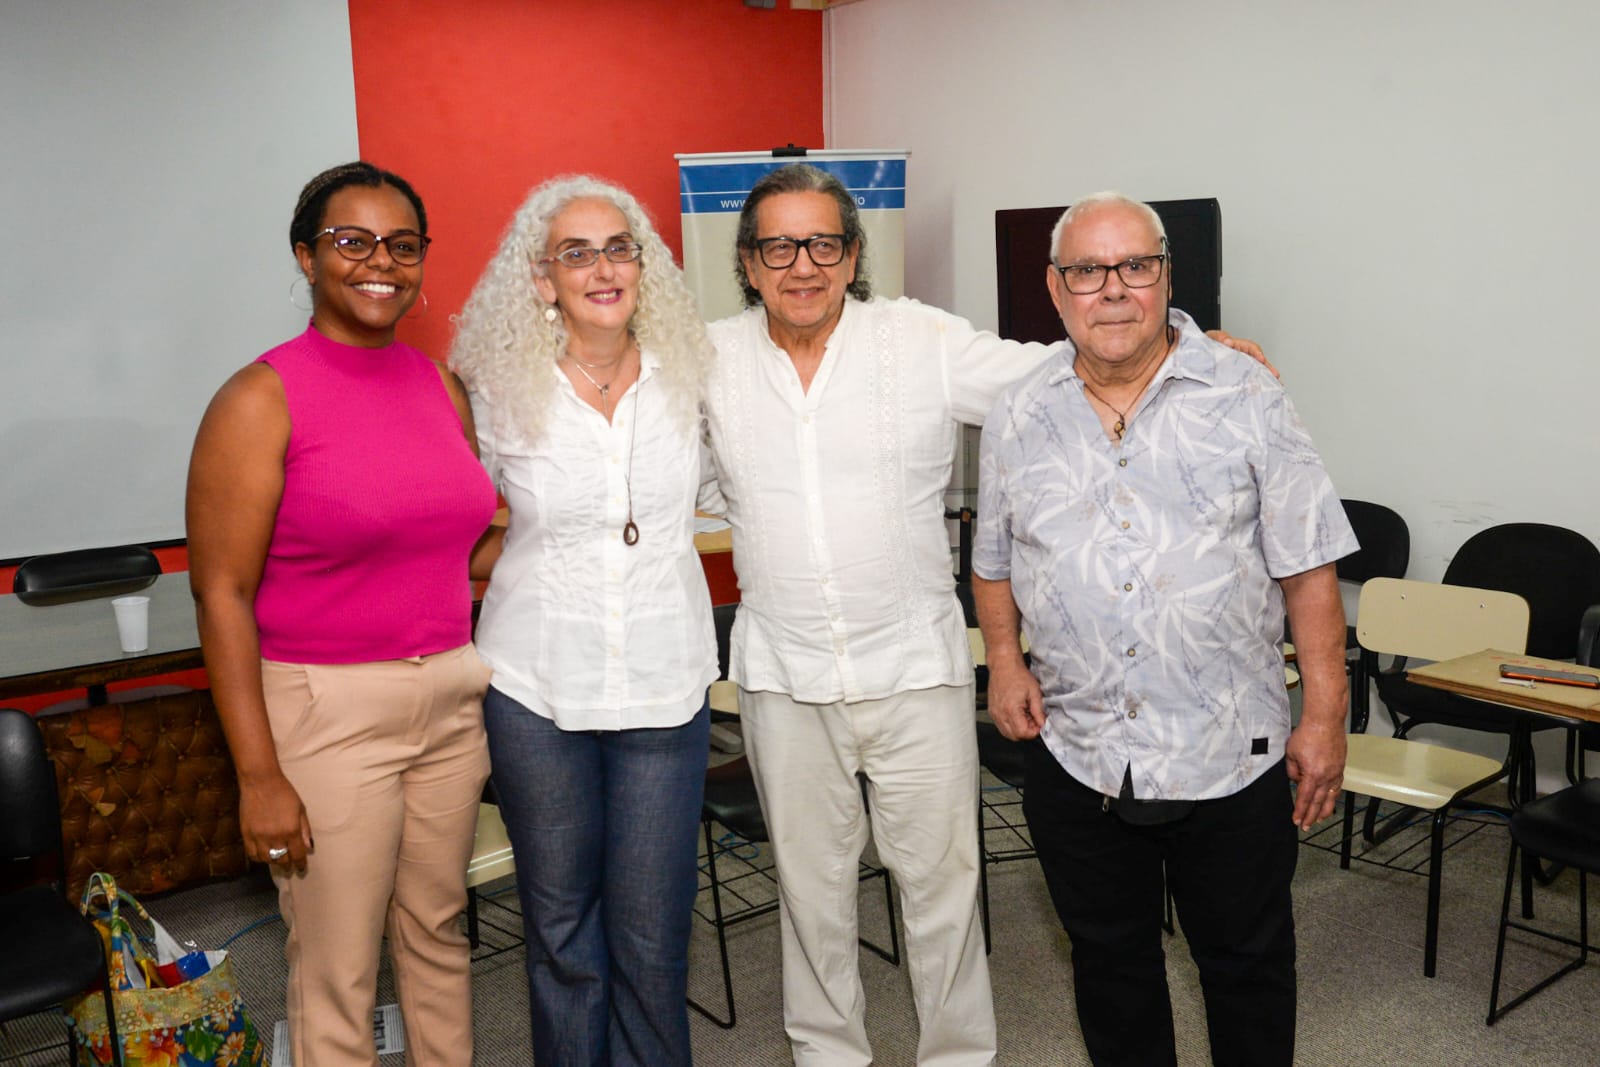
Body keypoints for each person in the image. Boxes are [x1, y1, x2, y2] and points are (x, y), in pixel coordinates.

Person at [700, 164, 1269, 1066]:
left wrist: (1184, 347)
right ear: (747, 262)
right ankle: (828, 1054)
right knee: (809, 896)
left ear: (853, 253)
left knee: (943, 891)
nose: (802, 264)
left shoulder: (918, 340)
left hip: (914, 670)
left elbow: (1063, 365)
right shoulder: (708, 363)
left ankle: (957, 1058)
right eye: (779, 246)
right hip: (784, 674)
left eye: (823, 243)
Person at [971, 191, 1356, 1067]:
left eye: (1135, 266)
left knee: (1248, 970)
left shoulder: (1247, 392)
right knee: (1110, 970)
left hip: (1230, 750)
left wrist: (1326, 716)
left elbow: (1310, 566)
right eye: (1087, 270)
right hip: (1079, 749)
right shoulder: (1018, 412)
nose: (1113, 288)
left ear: (1166, 277)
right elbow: (992, 557)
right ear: (1056, 288)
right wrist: (1002, 659)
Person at [186, 161, 496, 1067]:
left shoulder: (440, 386)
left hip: (450, 698)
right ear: (305, 255)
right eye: (351, 241)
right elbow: (221, 592)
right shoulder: (260, 397)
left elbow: (454, 546)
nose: (380, 262)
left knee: (438, 930)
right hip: (327, 711)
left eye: (402, 245)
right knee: (337, 963)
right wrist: (259, 774)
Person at [449, 175, 719, 1067]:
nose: (602, 269)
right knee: (561, 927)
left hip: (663, 685)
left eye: (618, 249)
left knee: (652, 930)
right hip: (536, 687)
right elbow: (449, 523)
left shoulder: (696, 375)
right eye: (577, 253)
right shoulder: (495, 391)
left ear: (643, 266)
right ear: (542, 278)